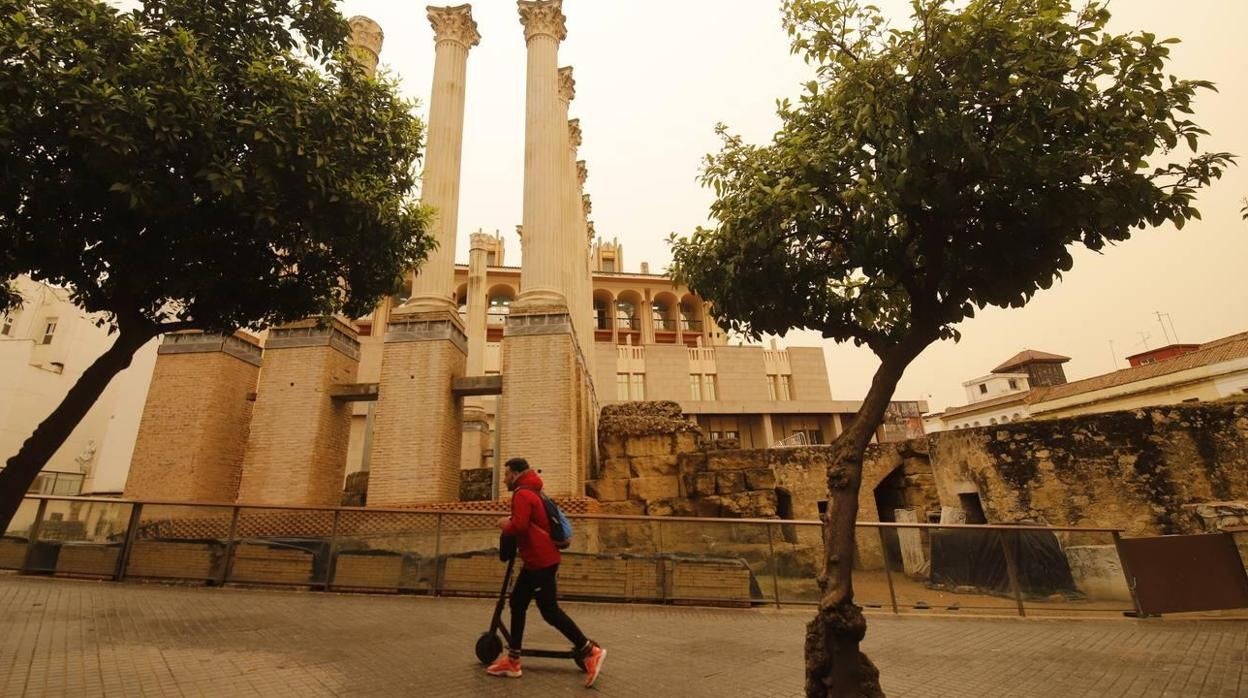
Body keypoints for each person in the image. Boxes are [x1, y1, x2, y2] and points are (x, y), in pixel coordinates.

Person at [487, 457, 606, 687]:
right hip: (536, 561)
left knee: (550, 611)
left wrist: (504, 524)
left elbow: (519, 526)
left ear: (516, 474)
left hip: (541, 562)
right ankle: (513, 661)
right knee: (517, 602)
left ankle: (590, 651)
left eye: (506, 474)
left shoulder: (522, 493)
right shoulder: (534, 491)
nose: (504, 479)